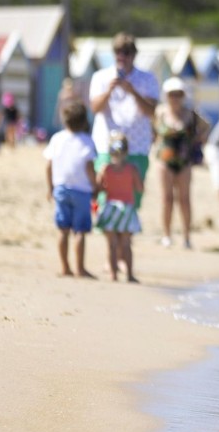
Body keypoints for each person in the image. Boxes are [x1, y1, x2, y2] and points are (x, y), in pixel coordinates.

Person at [89, 33, 159, 210]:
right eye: (118, 52)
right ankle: (111, 236)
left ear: (134, 55)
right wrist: (109, 91)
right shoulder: (101, 77)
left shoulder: (147, 78)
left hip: (137, 147)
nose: (122, 56)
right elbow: (95, 108)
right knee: (105, 200)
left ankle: (126, 237)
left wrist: (133, 92)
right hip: (106, 146)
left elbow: (152, 112)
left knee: (132, 202)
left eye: (126, 52)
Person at [43, 100, 97, 278]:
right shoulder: (87, 141)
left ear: (64, 121)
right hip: (82, 191)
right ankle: (80, 269)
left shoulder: (57, 138)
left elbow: (48, 166)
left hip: (61, 189)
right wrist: (95, 185)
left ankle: (65, 267)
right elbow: (89, 167)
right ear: (84, 121)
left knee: (63, 230)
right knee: (80, 231)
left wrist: (50, 187)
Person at [153, 76, 209, 249]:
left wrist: (198, 141)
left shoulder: (191, 113)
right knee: (167, 199)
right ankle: (166, 235)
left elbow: (206, 127)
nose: (175, 98)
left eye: (178, 94)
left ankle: (186, 236)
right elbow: (155, 131)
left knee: (184, 199)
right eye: (172, 94)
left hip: (185, 161)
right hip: (164, 160)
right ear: (166, 95)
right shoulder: (160, 112)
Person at [95, 132, 144, 282]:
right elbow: (139, 188)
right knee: (126, 244)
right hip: (126, 209)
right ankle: (129, 274)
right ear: (127, 151)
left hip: (110, 208)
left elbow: (98, 188)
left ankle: (113, 274)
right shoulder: (132, 169)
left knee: (111, 244)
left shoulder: (105, 169)